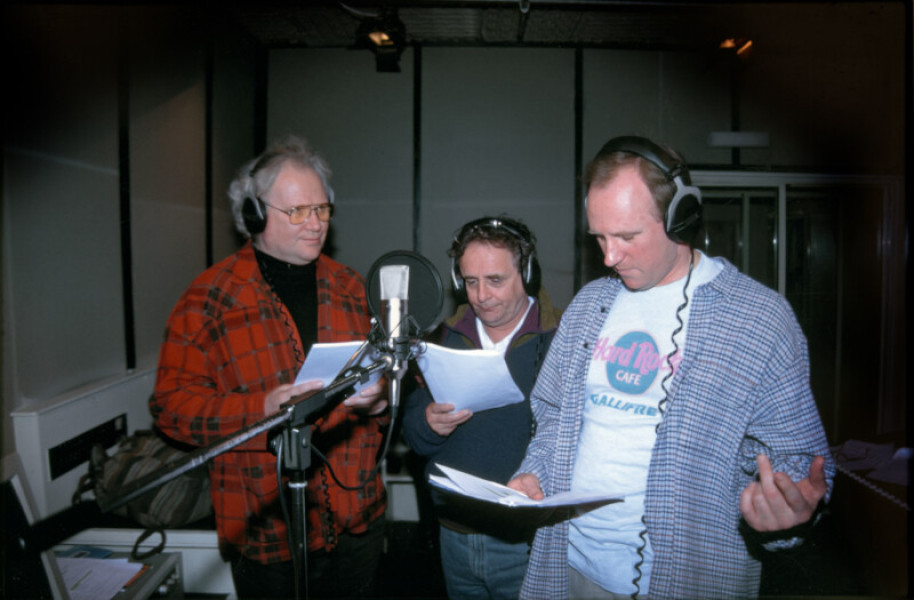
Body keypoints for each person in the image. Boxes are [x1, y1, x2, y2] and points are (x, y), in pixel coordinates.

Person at [507, 136, 834, 600]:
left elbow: (796, 462)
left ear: (681, 218)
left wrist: (786, 514)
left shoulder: (760, 320)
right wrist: (535, 473)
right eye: (599, 237)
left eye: (626, 236)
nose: (608, 257)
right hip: (569, 568)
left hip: (691, 580)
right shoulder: (588, 306)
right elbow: (554, 412)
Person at [150, 135, 388, 599]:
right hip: (266, 531)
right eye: (297, 211)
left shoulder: (351, 286)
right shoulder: (207, 299)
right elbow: (170, 407)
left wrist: (380, 398)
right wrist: (261, 408)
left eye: (322, 210)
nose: (315, 224)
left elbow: (386, 376)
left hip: (356, 514)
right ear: (254, 215)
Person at [401, 216, 562, 600]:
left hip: (527, 540)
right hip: (453, 535)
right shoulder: (443, 339)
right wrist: (428, 422)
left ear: (527, 274)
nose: (481, 295)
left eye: (495, 280)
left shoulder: (563, 342)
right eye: (470, 282)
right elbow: (413, 435)